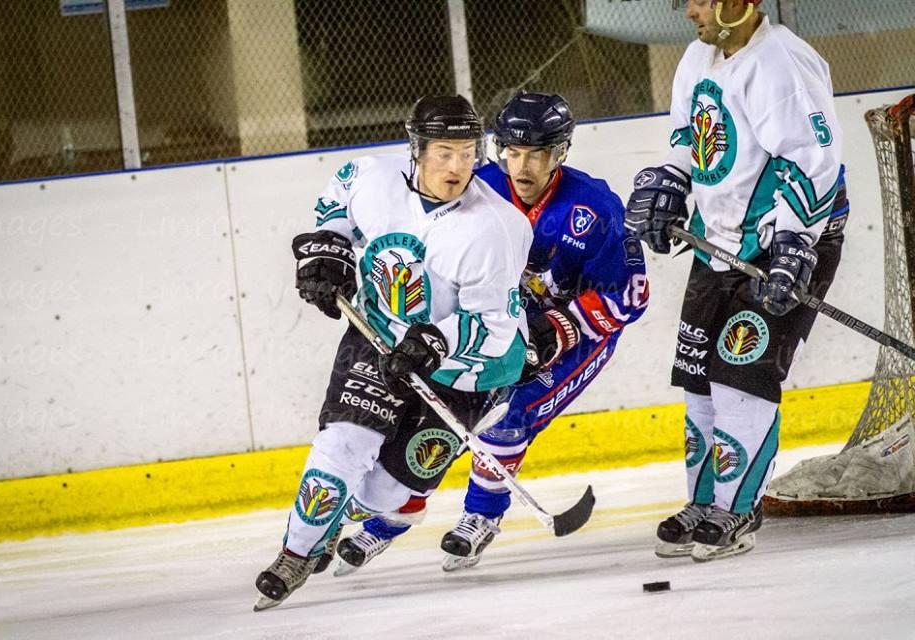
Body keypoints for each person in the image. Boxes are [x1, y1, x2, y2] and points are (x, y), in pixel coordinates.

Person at [332, 92, 649, 574]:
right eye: (512, 152)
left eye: (537, 154)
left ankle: (481, 516)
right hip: (495, 326)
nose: (522, 167)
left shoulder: (596, 208)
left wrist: (559, 327)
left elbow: (632, 296)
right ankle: (395, 514)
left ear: (560, 152)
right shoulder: (477, 184)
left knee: (509, 415)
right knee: (445, 408)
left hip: (574, 338)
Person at [253, 95, 534, 610]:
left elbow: (495, 328)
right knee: (343, 445)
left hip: (465, 371)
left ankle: (344, 517)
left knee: (384, 495)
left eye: (468, 153)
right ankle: (295, 555)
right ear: (417, 149)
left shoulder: (497, 229)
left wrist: (437, 340)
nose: (457, 166)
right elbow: (338, 200)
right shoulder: (370, 177)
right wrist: (328, 247)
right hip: (378, 335)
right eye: (444, 152)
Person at [627, 0, 848, 561]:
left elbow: (816, 161)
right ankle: (704, 501)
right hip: (716, 242)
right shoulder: (699, 56)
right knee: (699, 380)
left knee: (741, 379)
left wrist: (795, 242)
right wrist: (672, 182)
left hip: (784, 244)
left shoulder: (782, 64)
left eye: (699, 0)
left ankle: (738, 510)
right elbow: (689, 135)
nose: (688, 11)